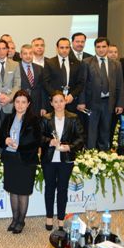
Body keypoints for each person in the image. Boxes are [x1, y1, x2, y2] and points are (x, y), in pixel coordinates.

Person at [0, 90, 41, 234]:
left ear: (28, 104)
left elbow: (36, 141)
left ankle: (21, 221)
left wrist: (19, 146)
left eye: (23, 102)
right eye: (17, 102)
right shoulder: (8, 118)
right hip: (10, 159)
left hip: (26, 160)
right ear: (13, 103)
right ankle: (14, 219)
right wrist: (5, 140)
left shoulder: (34, 120)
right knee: (13, 191)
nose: (20, 105)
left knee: (23, 192)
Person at [40, 91, 85, 231]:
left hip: (66, 159)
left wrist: (69, 147)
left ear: (65, 102)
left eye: (61, 101)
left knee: (62, 189)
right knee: (49, 188)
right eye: (55, 101)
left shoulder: (73, 118)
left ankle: (60, 219)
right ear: (51, 103)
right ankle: (49, 217)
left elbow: (81, 138)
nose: (59, 104)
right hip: (49, 159)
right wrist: (50, 141)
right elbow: (38, 137)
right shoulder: (46, 118)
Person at [78, 37, 124, 151]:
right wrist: (81, 102)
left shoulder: (116, 64)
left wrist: (120, 103)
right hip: (91, 103)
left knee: (106, 130)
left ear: (108, 47)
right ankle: (90, 154)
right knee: (91, 131)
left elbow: (119, 85)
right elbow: (82, 84)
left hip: (109, 103)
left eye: (104, 46)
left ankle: (103, 154)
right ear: (95, 48)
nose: (101, 49)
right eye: (98, 47)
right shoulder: (87, 62)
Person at [42, 38, 85, 113]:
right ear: (57, 48)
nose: (64, 50)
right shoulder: (49, 62)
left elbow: (80, 83)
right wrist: (56, 96)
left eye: (67, 47)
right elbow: (46, 82)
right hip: (55, 102)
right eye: (62, 47)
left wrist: (72, 95)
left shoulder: (77, 63)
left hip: (71, 102)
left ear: (70, 48)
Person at [18, 44, 45, 116]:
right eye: (25, 53)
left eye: (30, 53)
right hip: (20, 105)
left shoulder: (39, 68)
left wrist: (43, 106)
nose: (28, 56)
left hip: (37, 106)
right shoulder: (15, 67)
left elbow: (43, 89)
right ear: (20, 55)